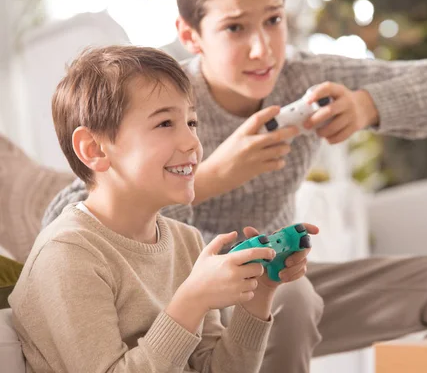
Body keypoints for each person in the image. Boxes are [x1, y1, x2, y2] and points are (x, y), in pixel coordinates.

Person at [43, 0, 427, 372]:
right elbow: (71, 210)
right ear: (191, 35)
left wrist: (371, 105)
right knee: (294, 299)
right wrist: (212, 176)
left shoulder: (304, 81)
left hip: (278, 286)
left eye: (273, 19)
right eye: (234, 28)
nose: (262, 49)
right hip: (191, 297)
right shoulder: (163, 99)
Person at [10, 45, 315, 373]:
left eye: (191, 122)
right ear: (94, 148)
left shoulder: (186, 241)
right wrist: (193, 298)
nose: (192, 143)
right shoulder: (68, 254)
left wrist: (260, 293)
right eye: (165, 124)